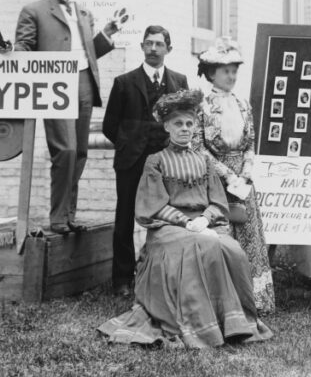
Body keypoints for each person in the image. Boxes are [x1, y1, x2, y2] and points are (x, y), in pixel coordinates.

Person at [97, 89, 273, 348]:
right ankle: (201, 324)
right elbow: (152, 205)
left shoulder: (204, 161)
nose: (185, 129)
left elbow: (218, 202)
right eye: (178, 123)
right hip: (167, 228)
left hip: (203, 224)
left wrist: (205, 218)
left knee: (231, 248)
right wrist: (186, 222)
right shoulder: (155, 161)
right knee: (201, 245)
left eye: (189, 124)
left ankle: (233, 322)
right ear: (167, 126)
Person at [6, 0, 124, 233]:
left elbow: (88, 52)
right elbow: (23, 47)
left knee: (81, 152)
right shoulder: (34, 10)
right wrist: (13, 54)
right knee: (66, 151)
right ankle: (57, 217)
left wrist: (107, 35)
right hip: (54, 86)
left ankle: (69, 216)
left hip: (84, 83)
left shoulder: (84, 14)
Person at [102, 26, 189, 297]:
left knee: (173, 213)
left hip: (168, 161)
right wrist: (131, 143)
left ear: (168, 49)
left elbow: (184, 120)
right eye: (148, 43)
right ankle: (122, 279)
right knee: (125, 217)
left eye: (159, 44)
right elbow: (109, 126)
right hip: (131, 161)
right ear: (141, 47)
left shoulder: (179, 81)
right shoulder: (124, 82)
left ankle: (169, 273)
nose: (153, 49)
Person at [192, 38, 276, 314]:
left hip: (244, 181)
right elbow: (197, 147)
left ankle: (255, 300)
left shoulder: (243, 104)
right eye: (226, 70)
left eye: (234, 70)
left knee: (249, 235)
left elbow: (251, 142)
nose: (231, 75)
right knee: (222, 234)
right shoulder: (201, 106)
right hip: (216, 181)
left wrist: (247, 173)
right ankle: (222, 301)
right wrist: (227, 175)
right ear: (211, 72)